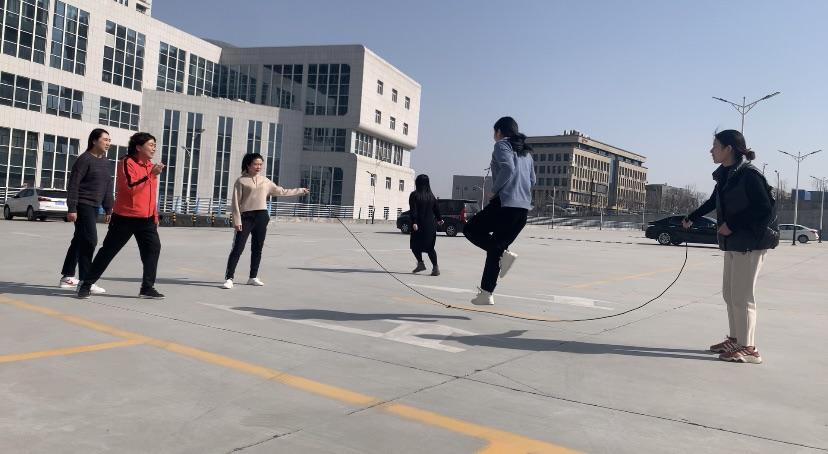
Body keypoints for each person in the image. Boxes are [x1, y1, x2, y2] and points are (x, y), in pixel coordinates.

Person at [683, 129, 778, 364]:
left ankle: (749, 348)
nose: (711, 150)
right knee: (730, 294)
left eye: (715, 146)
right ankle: (736, 340)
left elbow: (764, 209)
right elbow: (712, 202)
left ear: (729, 149)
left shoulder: (749, 175)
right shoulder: (727, 175)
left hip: (750, 243)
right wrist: (691, 217)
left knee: (743, 297)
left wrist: (733, 224)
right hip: (734, 242)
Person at [77, 132, 165, 300]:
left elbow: (150, 194)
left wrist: (154, 216)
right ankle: (86, 284)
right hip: (125, 218)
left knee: (153, 249)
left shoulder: (150, 166)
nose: (154, 148)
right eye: (151, 144)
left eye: (155, 145)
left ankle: (147, 288)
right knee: (108, 251)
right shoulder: (126, 162)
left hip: (146, 219)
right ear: (138, 147)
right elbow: (130, 187)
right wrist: (151, 175)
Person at [463, 117, 536, 305]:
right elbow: (533, 180)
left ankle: (503, 254)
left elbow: (508, 167)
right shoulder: (526, 153)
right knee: (495, 248)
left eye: (494, 133)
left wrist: (495, 190)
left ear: (498, 132)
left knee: (470, 229)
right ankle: (486, 293)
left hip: (505, 205)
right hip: (522, 211)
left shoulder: (502, 145)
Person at [222, 153, 309, 289]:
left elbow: (281, 191)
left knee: (257, 248)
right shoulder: (241, 181)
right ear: (248, 165)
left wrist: (300, 191)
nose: (258, 167)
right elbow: (235, 203)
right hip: (246, 217)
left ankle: (253, 277)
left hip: (261, 216)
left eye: (260, 164)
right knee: (238, 248)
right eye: (255, 164)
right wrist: (237, 220)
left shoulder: (265, 181)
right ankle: (229, 278)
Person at [60, 129, 113, 295]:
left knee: (79, 240)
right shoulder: (84, 159)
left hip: (95, 206)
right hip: (83, 205)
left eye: (109, 140)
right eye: (105, 139)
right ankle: (85, 281)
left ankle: (68, 276)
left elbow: (108, 186)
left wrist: (108, 208)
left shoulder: (106, 162)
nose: (108, 143)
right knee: (90, 240)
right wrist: (72, 208)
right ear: (94, 141)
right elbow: (74, 184)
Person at [408, 174, 443, 276]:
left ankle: (420, 264)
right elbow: (436, 208)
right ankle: (435, 268)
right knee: (430, 248)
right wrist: (439, 219)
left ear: (417, 183)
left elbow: (413, 210)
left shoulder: (414, 195)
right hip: (430, 226)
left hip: (418, 225)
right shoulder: (431, 196)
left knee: (414, 246)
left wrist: (414, 222)